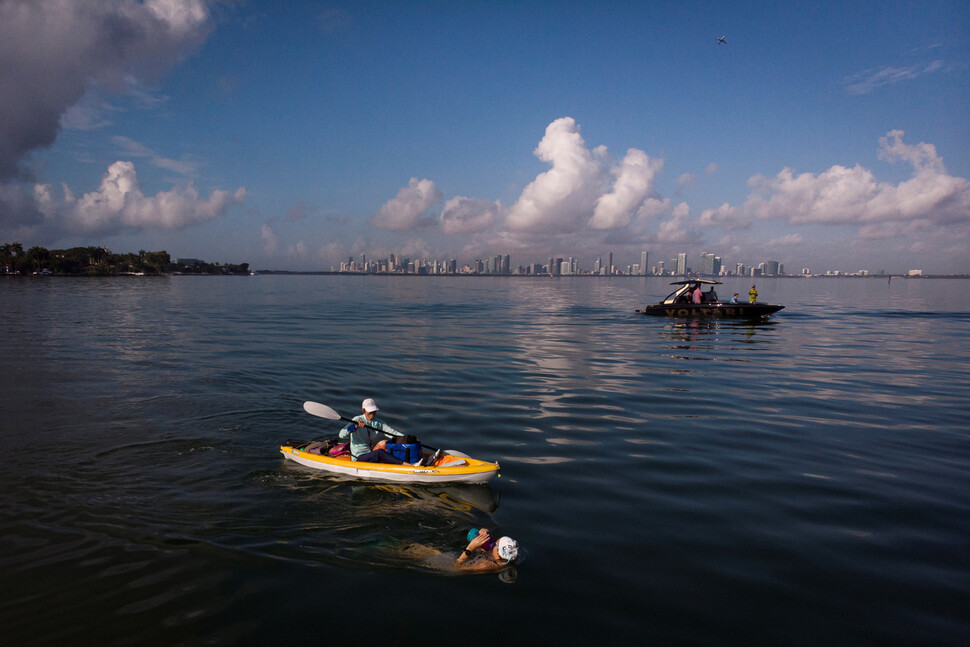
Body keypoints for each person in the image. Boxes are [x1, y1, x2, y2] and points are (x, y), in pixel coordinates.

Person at [339, 398, 410, 464]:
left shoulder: (378, 422)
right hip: (358, 457)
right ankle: (404, 464)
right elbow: (341, 435)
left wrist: (407, 439)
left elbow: (392, 433)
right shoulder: (357, 420)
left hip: (370, 452)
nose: (372, 413)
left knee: (385, 443)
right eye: (370, 411)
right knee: (380, 452)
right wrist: (354, 426)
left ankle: (407, 459)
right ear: (364, 410)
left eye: (373, 410)